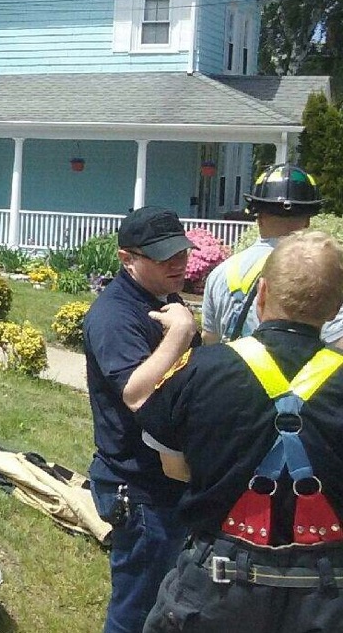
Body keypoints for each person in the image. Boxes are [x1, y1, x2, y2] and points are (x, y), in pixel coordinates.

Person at [136, 230, 343, 632]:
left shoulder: (200, 368)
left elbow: (173, 467)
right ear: (336, 307)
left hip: (217, 586)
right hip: (327, 596)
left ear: (261, 293)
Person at [83, 206, 201, 633]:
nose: (178, 262)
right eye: (163, 255)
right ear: (126, 258)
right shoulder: (114, 315)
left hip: (172, 482)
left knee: (170, 602)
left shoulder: (163, 300)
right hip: (139, 486)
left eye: (181, 252)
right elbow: (135, 391)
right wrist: (180, 333)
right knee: (136, 609)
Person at [202, 162, 343, 345]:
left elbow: (210, 339)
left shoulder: (221, 273)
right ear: (308, 219)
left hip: (234, 370)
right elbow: (337, 341)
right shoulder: (324, 271)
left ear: (258, 217)